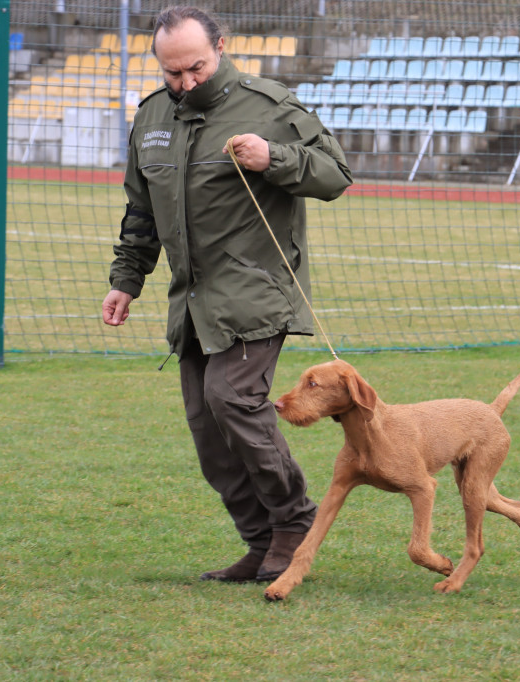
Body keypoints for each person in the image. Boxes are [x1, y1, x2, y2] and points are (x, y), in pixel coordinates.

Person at [102, 5, 353, 583]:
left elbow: (335, 173)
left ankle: (293, 523)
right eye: (172, 73)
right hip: (192, 301)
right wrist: (126, 280)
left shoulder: (270, 106)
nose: (186, 83)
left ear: (222, 47)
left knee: (232, 401)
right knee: (208, 430)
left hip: (256, 292)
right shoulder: (152, 118)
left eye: (196, 68)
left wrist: (277, 158)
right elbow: (142, 209)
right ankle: (261, 539)